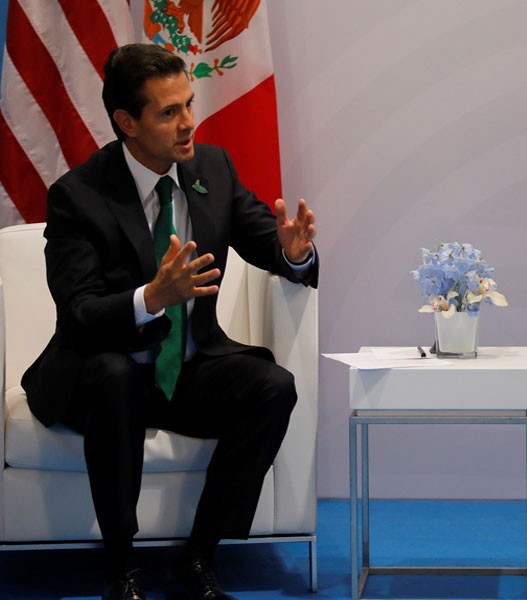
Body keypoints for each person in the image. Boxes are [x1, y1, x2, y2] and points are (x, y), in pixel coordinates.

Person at [21, 43, 319, 600]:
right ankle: (121, 570)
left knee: (273, 386)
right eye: (168, 112)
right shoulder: (77, 197)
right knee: (115, 376)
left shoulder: (213, 168)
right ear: (127, 122)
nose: (188, 123)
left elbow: (266, 240)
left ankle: (199, 557)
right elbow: (79, 313)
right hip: (103, 373)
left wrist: (293, 253)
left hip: (186, 368)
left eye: (188, 104)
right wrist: (150, 298)